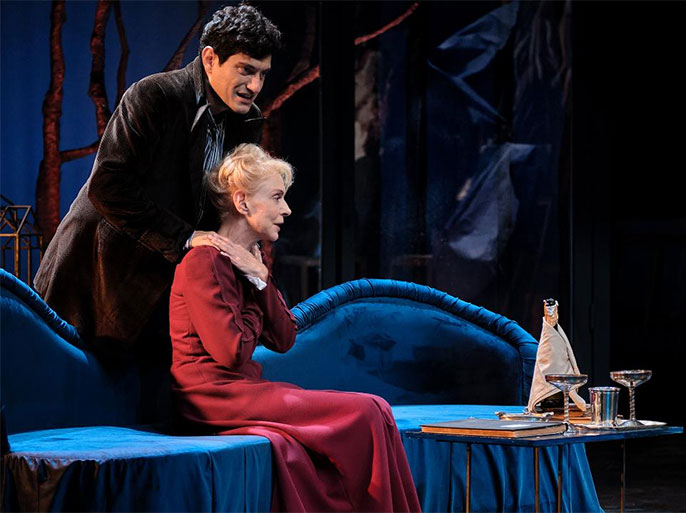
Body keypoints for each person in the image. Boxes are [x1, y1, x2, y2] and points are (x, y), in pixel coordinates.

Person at [169, 143, 422, 513]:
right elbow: (231, 352)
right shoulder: (203, 261)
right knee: (368, 410)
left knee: (378, 409)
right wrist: (257, 284)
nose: (286, 209)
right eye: (276, 197)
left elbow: (285, 338)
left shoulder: (248, 262)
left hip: (242, 390)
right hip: (211, 397)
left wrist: (260, 279)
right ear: (242, 202)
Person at [33, 4, 280, 361]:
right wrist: (185, 237)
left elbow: (221, 200)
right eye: (246, 70)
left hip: (167, 285)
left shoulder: (247, 121)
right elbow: (109, 186)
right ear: (210, 59)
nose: (255, 86)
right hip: (99, 277)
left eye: (262, 74)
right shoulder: (155, 96)